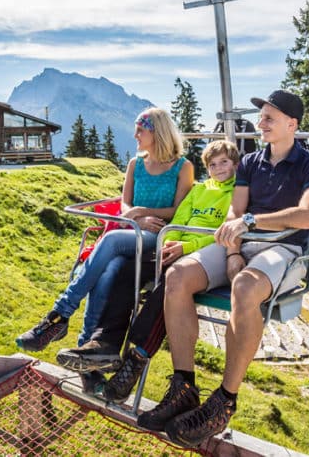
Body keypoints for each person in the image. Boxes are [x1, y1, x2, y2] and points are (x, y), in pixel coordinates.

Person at [136, 90, 309, 448]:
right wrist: (232, 252)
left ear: (292, 124)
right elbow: (234, 214)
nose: (261, 124)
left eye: (270, 118)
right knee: (177, 276)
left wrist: (252, 223)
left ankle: (225, 399)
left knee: (244, 289)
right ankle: (184, 386)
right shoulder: (252, 163)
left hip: (284, 248)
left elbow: (307, 214)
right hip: (242, 243)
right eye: (262, 117)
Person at [53, 140, 240, 400]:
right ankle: (105, 342)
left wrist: (184, 247)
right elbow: (178, 220)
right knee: (126, 270)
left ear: (235, 164)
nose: (218, 168)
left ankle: (134, 360)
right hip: (173, 244)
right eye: (212, 164)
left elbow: (222, 231)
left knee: (166, 286)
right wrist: (168, 243)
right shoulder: (198, 191)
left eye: (224, 163)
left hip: (198, 252)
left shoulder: (237, 192)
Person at [16, 107, 194, 362]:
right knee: (108, 271)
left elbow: (178, 209)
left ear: (158, 133)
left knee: (109, 241)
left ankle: (59, 315)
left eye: (140, 130)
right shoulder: (136, 164)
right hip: (134, 231)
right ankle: (86, 352)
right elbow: (124, 203)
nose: (135, 135)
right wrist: (136, 216)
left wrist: (142, 212)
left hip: (158, 234)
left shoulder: (182, 167)